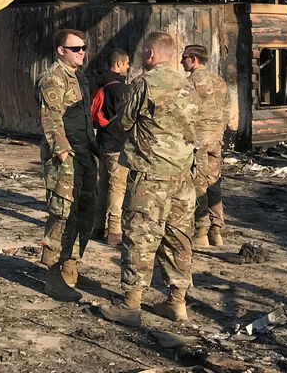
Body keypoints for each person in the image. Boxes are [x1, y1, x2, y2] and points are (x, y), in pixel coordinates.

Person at [103, 31, 199, 326]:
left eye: (143, 51)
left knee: (140, 238)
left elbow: (124, 122)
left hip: (150, 175)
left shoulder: (143, 84)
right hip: (183, 177)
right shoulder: (187, 86)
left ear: (150, 53)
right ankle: (177, 303)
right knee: (179, 238)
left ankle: (131, 306)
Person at [35, 28, 97, 302]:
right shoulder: (52, 79)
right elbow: (52, 119)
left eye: (83, 47)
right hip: (67, 157)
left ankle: (70, 267)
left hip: (84, 154)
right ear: (61, 51)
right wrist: (63, 155)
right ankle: (52, 275)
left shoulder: (79, 77)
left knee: (84, 212)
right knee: (61, 214)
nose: (82, 52)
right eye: (76, 48)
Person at [182, 44, 228, 248]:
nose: (182, 61)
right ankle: (216, 230)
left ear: (193, 58)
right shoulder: (219, 82)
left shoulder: (190, 83)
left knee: (198, 183)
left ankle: (200, 230)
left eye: (184, 57)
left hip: (198, 140)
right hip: (216, 139)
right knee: (214, 182)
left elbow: (184, 112)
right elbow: (226, 110)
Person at [93, 48, 130, 247]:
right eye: (126, 63)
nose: (128, 67)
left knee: (103, 184)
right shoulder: (119, 89)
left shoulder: (99, 83)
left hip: (103, 141)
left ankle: (97, 226)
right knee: (118, 187)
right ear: (118, 64)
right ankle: (115, 231)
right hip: (117, 143)